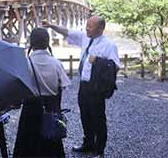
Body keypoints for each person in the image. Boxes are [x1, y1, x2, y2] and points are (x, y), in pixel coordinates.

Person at [43, 15, 120, 158]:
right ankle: (88, 143)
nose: (87, 28)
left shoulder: (109, 45)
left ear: (101, 29)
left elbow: (115, 67)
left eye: (90, 27)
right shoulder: (86, 37)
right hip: (83, 85)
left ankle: (99, 150)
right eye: (87, 25)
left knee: (98, 118)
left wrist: (98, 61)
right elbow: (67, 32)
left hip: (96, 87)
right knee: (85, 115)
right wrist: (51, 25)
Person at [13, 27, 70, 158]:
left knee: (28, 146)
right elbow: (63, 86)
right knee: (51, 144)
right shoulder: (56, 63)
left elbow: (19, 90)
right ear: (47, 42)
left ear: (31, 42)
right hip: (51, 110)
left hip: (30, 110)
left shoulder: (26, 63)